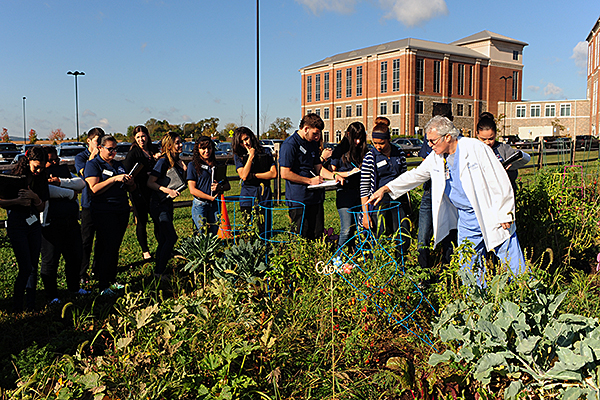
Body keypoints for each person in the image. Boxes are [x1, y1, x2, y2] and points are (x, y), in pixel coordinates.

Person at [367, 116, 526, 281]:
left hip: (491, 213)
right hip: (466, 219)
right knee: (469, 264)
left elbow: (499, 179)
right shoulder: (437, 157)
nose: (429, 145)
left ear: (448, 137)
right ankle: (477, 301)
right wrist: (386, 188)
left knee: (510, 257)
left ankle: (529, 296)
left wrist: (505, 212)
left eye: (432, 141)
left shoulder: (475, 148)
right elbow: (416, 175)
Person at [84, 136, 135, 295]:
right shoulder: (93, 165)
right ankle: (103, 283)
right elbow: (94, 188)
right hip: (104, 210)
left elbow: (131, 189)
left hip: (121, 208)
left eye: (115, 149)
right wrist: (114, 179)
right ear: (100, 148)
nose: (113, 152)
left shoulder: (119, 165)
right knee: (107, 246)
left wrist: (130, 182)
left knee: (115, 246)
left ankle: (111, 279)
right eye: (110, 149)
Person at [279, 113, 344, 239]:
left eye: (319, 133)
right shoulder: (290, 145)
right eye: (315, 133)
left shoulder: (312, 143)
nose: (317, 136)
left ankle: (317, 258)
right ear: (305, 129)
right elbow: (285, 173)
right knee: (300, 236)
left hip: (315, 198)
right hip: (299, 199)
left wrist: (333, 176)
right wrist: (309, 181)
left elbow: (318, 168)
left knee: (317, 235)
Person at [0, 147, 49, 312]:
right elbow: (1, 201)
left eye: (42, 166)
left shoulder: (41, 178)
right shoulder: (13, 177)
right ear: (28, 161)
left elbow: (42, 207)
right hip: (17, 223)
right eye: (36, 166)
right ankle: (17, 305)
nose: (39, 170)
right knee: (25, 266)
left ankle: (31, 304)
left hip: (33, 222)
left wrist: (35, 197)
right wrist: (17, 201)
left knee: (34, 265)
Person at [40, 146, 88, 303]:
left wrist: (60, 181)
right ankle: (51, 295)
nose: (54, 162)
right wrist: (69, 193)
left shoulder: (63, 171)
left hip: (71, 222)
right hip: (51, 224)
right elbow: (46, 191)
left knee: (74, 257)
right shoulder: (39, 175)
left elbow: (80, 183)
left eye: (56, 159)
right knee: (51, 261)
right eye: (50, 160)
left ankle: (74, 287)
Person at [360, 123, 411, 251]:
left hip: (398, 200)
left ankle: (400, 264)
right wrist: (366, 214)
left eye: (381, 143)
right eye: (375, 143)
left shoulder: (398, 152)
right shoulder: (370, 158)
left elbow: (404, 177)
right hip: (379, 203)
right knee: (379, 236)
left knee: (402, 234)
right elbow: (364, 189)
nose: (378, 147)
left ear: (389, 139)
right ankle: (378, 266)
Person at [417, 103, 456, 270]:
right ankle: (423, 271)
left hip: (448, 193)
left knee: (449, 232)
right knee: (423, 234)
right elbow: (425, 167)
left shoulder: (451, 139)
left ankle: (447, 270)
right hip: (430, 191)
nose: (432, 145)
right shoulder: (431, 138)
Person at [147, 132, 187, 279]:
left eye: (180, 142)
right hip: (158, 204)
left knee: (164, 238)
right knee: (171, 237)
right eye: (177, 143)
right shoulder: (162, 162)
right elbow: (150, 182)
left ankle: (159, 270)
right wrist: (167, 190)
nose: (180, 145)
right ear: (169, 145)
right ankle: (159, 271)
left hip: (167, 203)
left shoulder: (174, 161)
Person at [232, 127, 276, 237]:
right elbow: (244, 175)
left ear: (251, 137)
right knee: (247, 225)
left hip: (263, 192)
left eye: (246, 139)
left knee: (264, 226)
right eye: (241, 142)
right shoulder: (239, 156)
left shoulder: (265, 152)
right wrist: (251, 156)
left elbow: (273, 173)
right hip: (247, 193)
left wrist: (255, 176)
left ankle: (265, 247)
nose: (245, 143)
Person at [123, 125, 159, 261]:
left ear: (147, 136)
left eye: (143, 136)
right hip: (139, 191)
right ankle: (145, 251)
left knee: (157, 219)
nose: (141, 139)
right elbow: (127, 171)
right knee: (142, 220)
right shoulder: (133, 153)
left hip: (154, 190)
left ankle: (161, 244)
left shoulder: (153, 150)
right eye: (138, 137)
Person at [75, 127, 105, 283]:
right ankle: (81, 272)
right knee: (86, 240)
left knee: (102, 239)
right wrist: (92, 157)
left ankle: (97, 269)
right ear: (89, 141)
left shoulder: (104, 157)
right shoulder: (81, 157)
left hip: (103, 203)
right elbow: (84, 173)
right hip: (88, 203)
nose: (99, 144)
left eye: (101, 141)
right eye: (96, 141)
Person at [328, 122, 365, 249]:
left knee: (355, 228)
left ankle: (352, 254)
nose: (358, 141)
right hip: (344, 192)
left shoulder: (363, 149)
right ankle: (338, 258)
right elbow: (331, 172)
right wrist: (348, 173)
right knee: (346, 228)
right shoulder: (340, 150)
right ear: (348, 135)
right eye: (355, 138)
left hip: (359, 192)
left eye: (360, 138)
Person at [476, 113, 531, 192]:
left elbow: (514, 174)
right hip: (483, 192)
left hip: (504, 191)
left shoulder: (504, 149)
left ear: (496, 134)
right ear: (477, 134)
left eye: (491, 138)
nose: (487, 142)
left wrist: (507, 172)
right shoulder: (472, 149)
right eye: (483, 139)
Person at [187, 136, 231, 235]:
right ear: (197, 150)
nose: (207, 151)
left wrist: (219, 187)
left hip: (215, 205)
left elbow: (228, 185)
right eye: (203, 148)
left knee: (214, 233)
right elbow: (192, 189)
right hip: (200, 204)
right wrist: (209, 197)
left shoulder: (217, 165)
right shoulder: (193, 165)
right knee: (200, 233)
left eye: (209, 148)